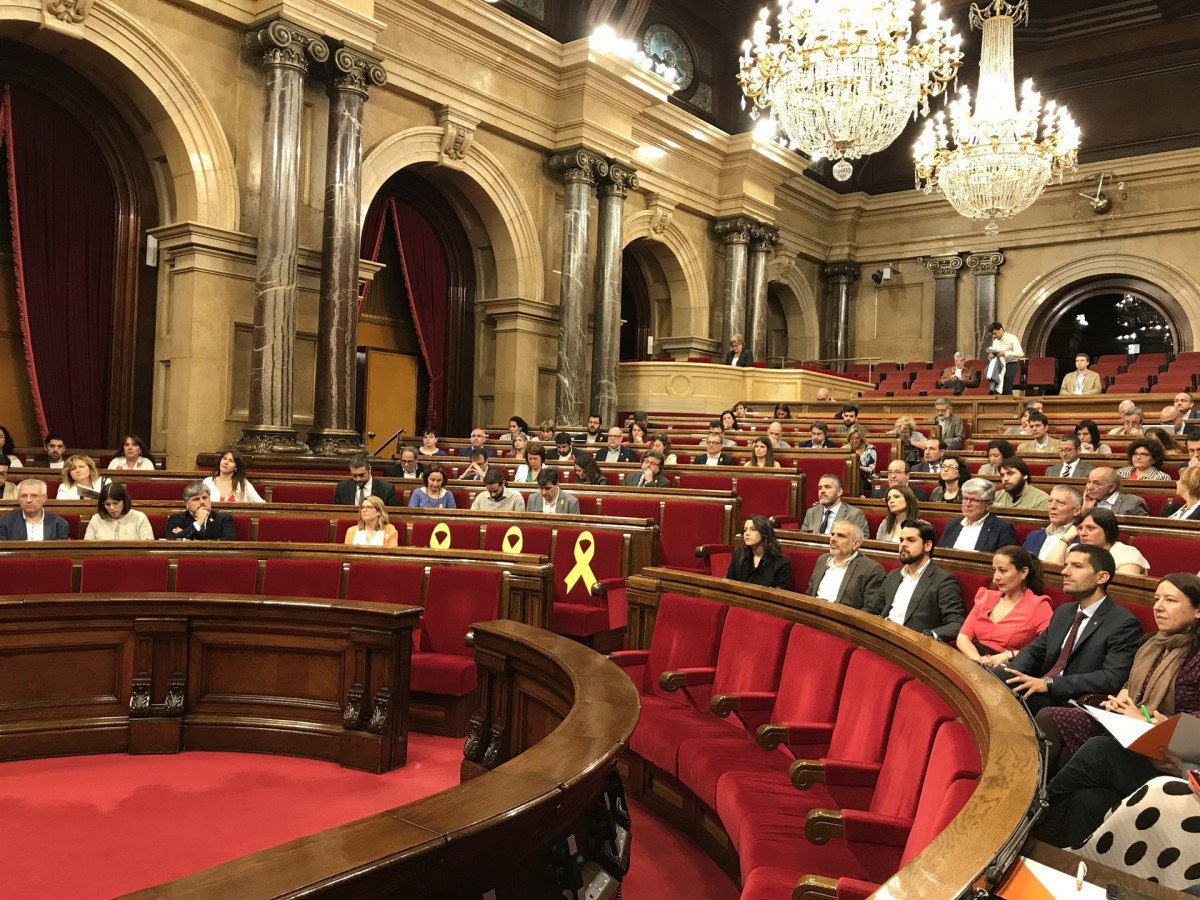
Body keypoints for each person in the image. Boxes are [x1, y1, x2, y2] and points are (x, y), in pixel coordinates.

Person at [1035, 574, 1200, 851]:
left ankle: (1034, 813)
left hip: (1171, 759)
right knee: (1088, 799)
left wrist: (1148, 721)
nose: (1158, 607)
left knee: (1099, 750)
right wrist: (1121, 700)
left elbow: (1192, 728)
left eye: (1170, 600)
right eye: (1157, 599)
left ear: (1197, 610)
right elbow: (1132, 684)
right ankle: (1070, 858)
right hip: (1132, 737)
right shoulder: (1152, 643)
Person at [998, 544, 1142, 716]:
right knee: (992, 677)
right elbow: (1035, 651)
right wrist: (1012, 674)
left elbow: (1111, 678)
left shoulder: (1123, 622)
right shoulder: (1064, 611)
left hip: (1072, 699)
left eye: (1077, 566)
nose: (1065, 572)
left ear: (1102, 577)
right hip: (1043, 687)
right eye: (1066, 565)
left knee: (1016, 697)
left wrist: (1051, 683)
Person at [865, 519, 965, 641]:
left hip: (914, 647)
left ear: (927, 545)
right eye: (901, 540)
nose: (903, 545)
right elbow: (872, 608)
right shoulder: (894, 575)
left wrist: (927, 636)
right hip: (883, 639)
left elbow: (956, 624)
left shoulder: (944, 580)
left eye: (911, 540)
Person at [956, 545, 1052, 665]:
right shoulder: (986, 597)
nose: (996, 577)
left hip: (1007, 667)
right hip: (974, 660)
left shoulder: (1039, 605)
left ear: (1023, 573)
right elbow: (963, 637)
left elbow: (1048, 647)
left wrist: (1010, 655)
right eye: (994, 570)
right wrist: (978, 660)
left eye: (1003, 571)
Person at [1043, 507, 1151, 576]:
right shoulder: (1074, 549)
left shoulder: (1126, 553)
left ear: (1107, 531)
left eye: (1090, 528)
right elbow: (1049, 570)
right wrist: (1065, 539)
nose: (1083, 533)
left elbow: (1121, 589)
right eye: (1080, 528)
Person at [808, 520, 886, 609]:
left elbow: (870, 608)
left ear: (856, 544)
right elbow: (810, 593)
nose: (833, 539)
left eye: (841, 536)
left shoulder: (871, 569)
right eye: (832, 534)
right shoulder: (822, 560)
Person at [938, 478, 1018, 553]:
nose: (967, 504)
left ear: (988, 505)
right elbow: (940, 554)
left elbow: (1006, 562)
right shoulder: (952, 524)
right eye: (965, 498)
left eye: (974, 500)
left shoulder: (1002, 529)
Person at [725, 515, 790, 589]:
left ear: (764, 533)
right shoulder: (738, 555)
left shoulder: (781, 562)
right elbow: (729, 585)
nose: (747, 533)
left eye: (753, 529)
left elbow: (780, 594)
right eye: (745, 530)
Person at [1024, 485, 1085, 560]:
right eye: (1050, 501)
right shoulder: (1034, 536)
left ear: (1077, 511)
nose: (1052, 506)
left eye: (1061, 503)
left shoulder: (1083, 538)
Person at [0, 479, 70, 540]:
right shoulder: (4, 523)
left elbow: (62, 553)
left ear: (44, 498)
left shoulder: (59, 524)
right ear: (18, 499)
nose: (28, 500)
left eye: (34, 496)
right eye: (24, 496)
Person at [164, 482, 237, 540]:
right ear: (187, 504)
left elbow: (230, 539)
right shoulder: (177, 518)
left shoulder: (223, 519)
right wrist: (198, 522)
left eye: (205, 497)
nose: (202, 502)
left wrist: (185, 534)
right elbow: (171, 539)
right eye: (196, 499)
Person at [83, 482, 154, 541]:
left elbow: (148, 548)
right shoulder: (96, 519)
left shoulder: (139, 518)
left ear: (124, 501)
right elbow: (87, 548)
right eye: (107, 504)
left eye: (115, 503)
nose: (111, 508)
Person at [800, 474, 869, 535]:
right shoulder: (811, 512)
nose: (822, 491)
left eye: (827, 487)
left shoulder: (855, 514)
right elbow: (802, 538)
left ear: (839, 492)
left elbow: (861, 542)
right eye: (820, 488)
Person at [334, 452, 399, 506]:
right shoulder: (342, 488)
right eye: (354, 475)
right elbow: (336, 513)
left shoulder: (386, 489)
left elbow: (392, 515)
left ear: (369, 470)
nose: (358, 479)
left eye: (361, 475)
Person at [1081, 467, 1150, 516]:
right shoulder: (1083, 501)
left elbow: (1140, 534)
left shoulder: (1133, 503)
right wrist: (1085, 510)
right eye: (1089, 482)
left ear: (1112, 487)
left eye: (1096, 483)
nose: (1089, 487)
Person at [986, 321, 1023, 395]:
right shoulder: (995, 341)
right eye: (992, 334)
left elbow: (1020, 353)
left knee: (1006, 388)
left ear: (1001, 329)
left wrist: (1004, 353)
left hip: (1010, 364)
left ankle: (1009, 405)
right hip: (998, 366)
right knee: (996, 388)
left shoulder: (1012, 338)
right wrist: (992, 356)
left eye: (995, 333)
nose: (994, 336)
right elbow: (994, 353)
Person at [844, 425, 876, 493]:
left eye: (857, 438)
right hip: (848, 479)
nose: (854, 441)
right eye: (852, 438)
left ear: (862, 438)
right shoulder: (844, 449)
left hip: (866, 479)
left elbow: (871, 470)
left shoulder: (870, 449)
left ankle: (861, 494)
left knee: (856, 470)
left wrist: (857, 467)